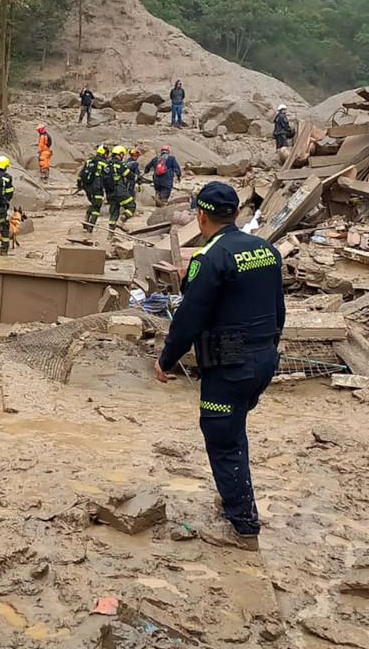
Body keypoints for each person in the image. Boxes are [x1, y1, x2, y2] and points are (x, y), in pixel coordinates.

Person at [155, 182, 285, 551]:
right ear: (237, 213)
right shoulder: (266, 249)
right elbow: (279, 309)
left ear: (200, 215)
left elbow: (189, 319)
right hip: (262, 359)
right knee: (234, 429)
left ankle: (243, 528)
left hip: (228, 364)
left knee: (223, 440)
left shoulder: (209, 259)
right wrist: (269, 350)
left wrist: (166, 359)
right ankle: (234, 499)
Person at [104, 145, 136, 231]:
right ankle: (122, 220)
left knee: (114, 212)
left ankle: (110, 234)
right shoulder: (119, 164)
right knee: (132, 206)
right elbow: (128, 175)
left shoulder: (107, 164)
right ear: (120, 154)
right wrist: (137, 178)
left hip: (109, 192)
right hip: (119, 189)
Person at [78, 145, 108, 233]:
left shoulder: (89, 161)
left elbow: (80, 175)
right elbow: (107, 177)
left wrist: (80, 186)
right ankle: (90, 225)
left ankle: (88, 221)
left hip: (87, 187)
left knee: (94, 203)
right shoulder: (104, 163)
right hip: (97, 187)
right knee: (97, 206)